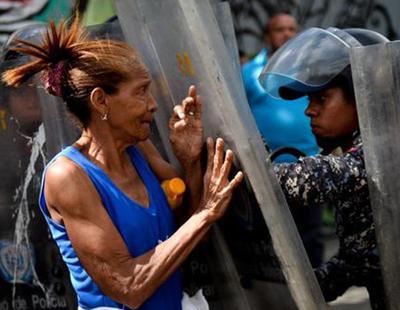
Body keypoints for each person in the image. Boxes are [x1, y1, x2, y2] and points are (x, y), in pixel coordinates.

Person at [2, 18, 244, 310]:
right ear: (101, 101)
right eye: (141, 91)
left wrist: (189, 161)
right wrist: (206, 212)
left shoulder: (140, 149)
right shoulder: (67, 175)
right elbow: (127, 286)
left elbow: (186, 234)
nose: (153, 104)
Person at [259, 27, 389, 309]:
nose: (309, 110)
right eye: (309, 100)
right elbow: (358, 260)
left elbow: (306, 182)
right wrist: (293, 292)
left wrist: (246, 163)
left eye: (321, 98)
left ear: (362, 96)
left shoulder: (383, 154)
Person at [242, 12, 323, 267]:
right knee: (270, 235)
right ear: (267, 36)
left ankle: (319, 298)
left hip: (309, 166)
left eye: (291, 29)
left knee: (310, 234)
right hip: (266, 170)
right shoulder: (248, 72)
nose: (287, 34)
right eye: (280, 29)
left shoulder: (310, 71)